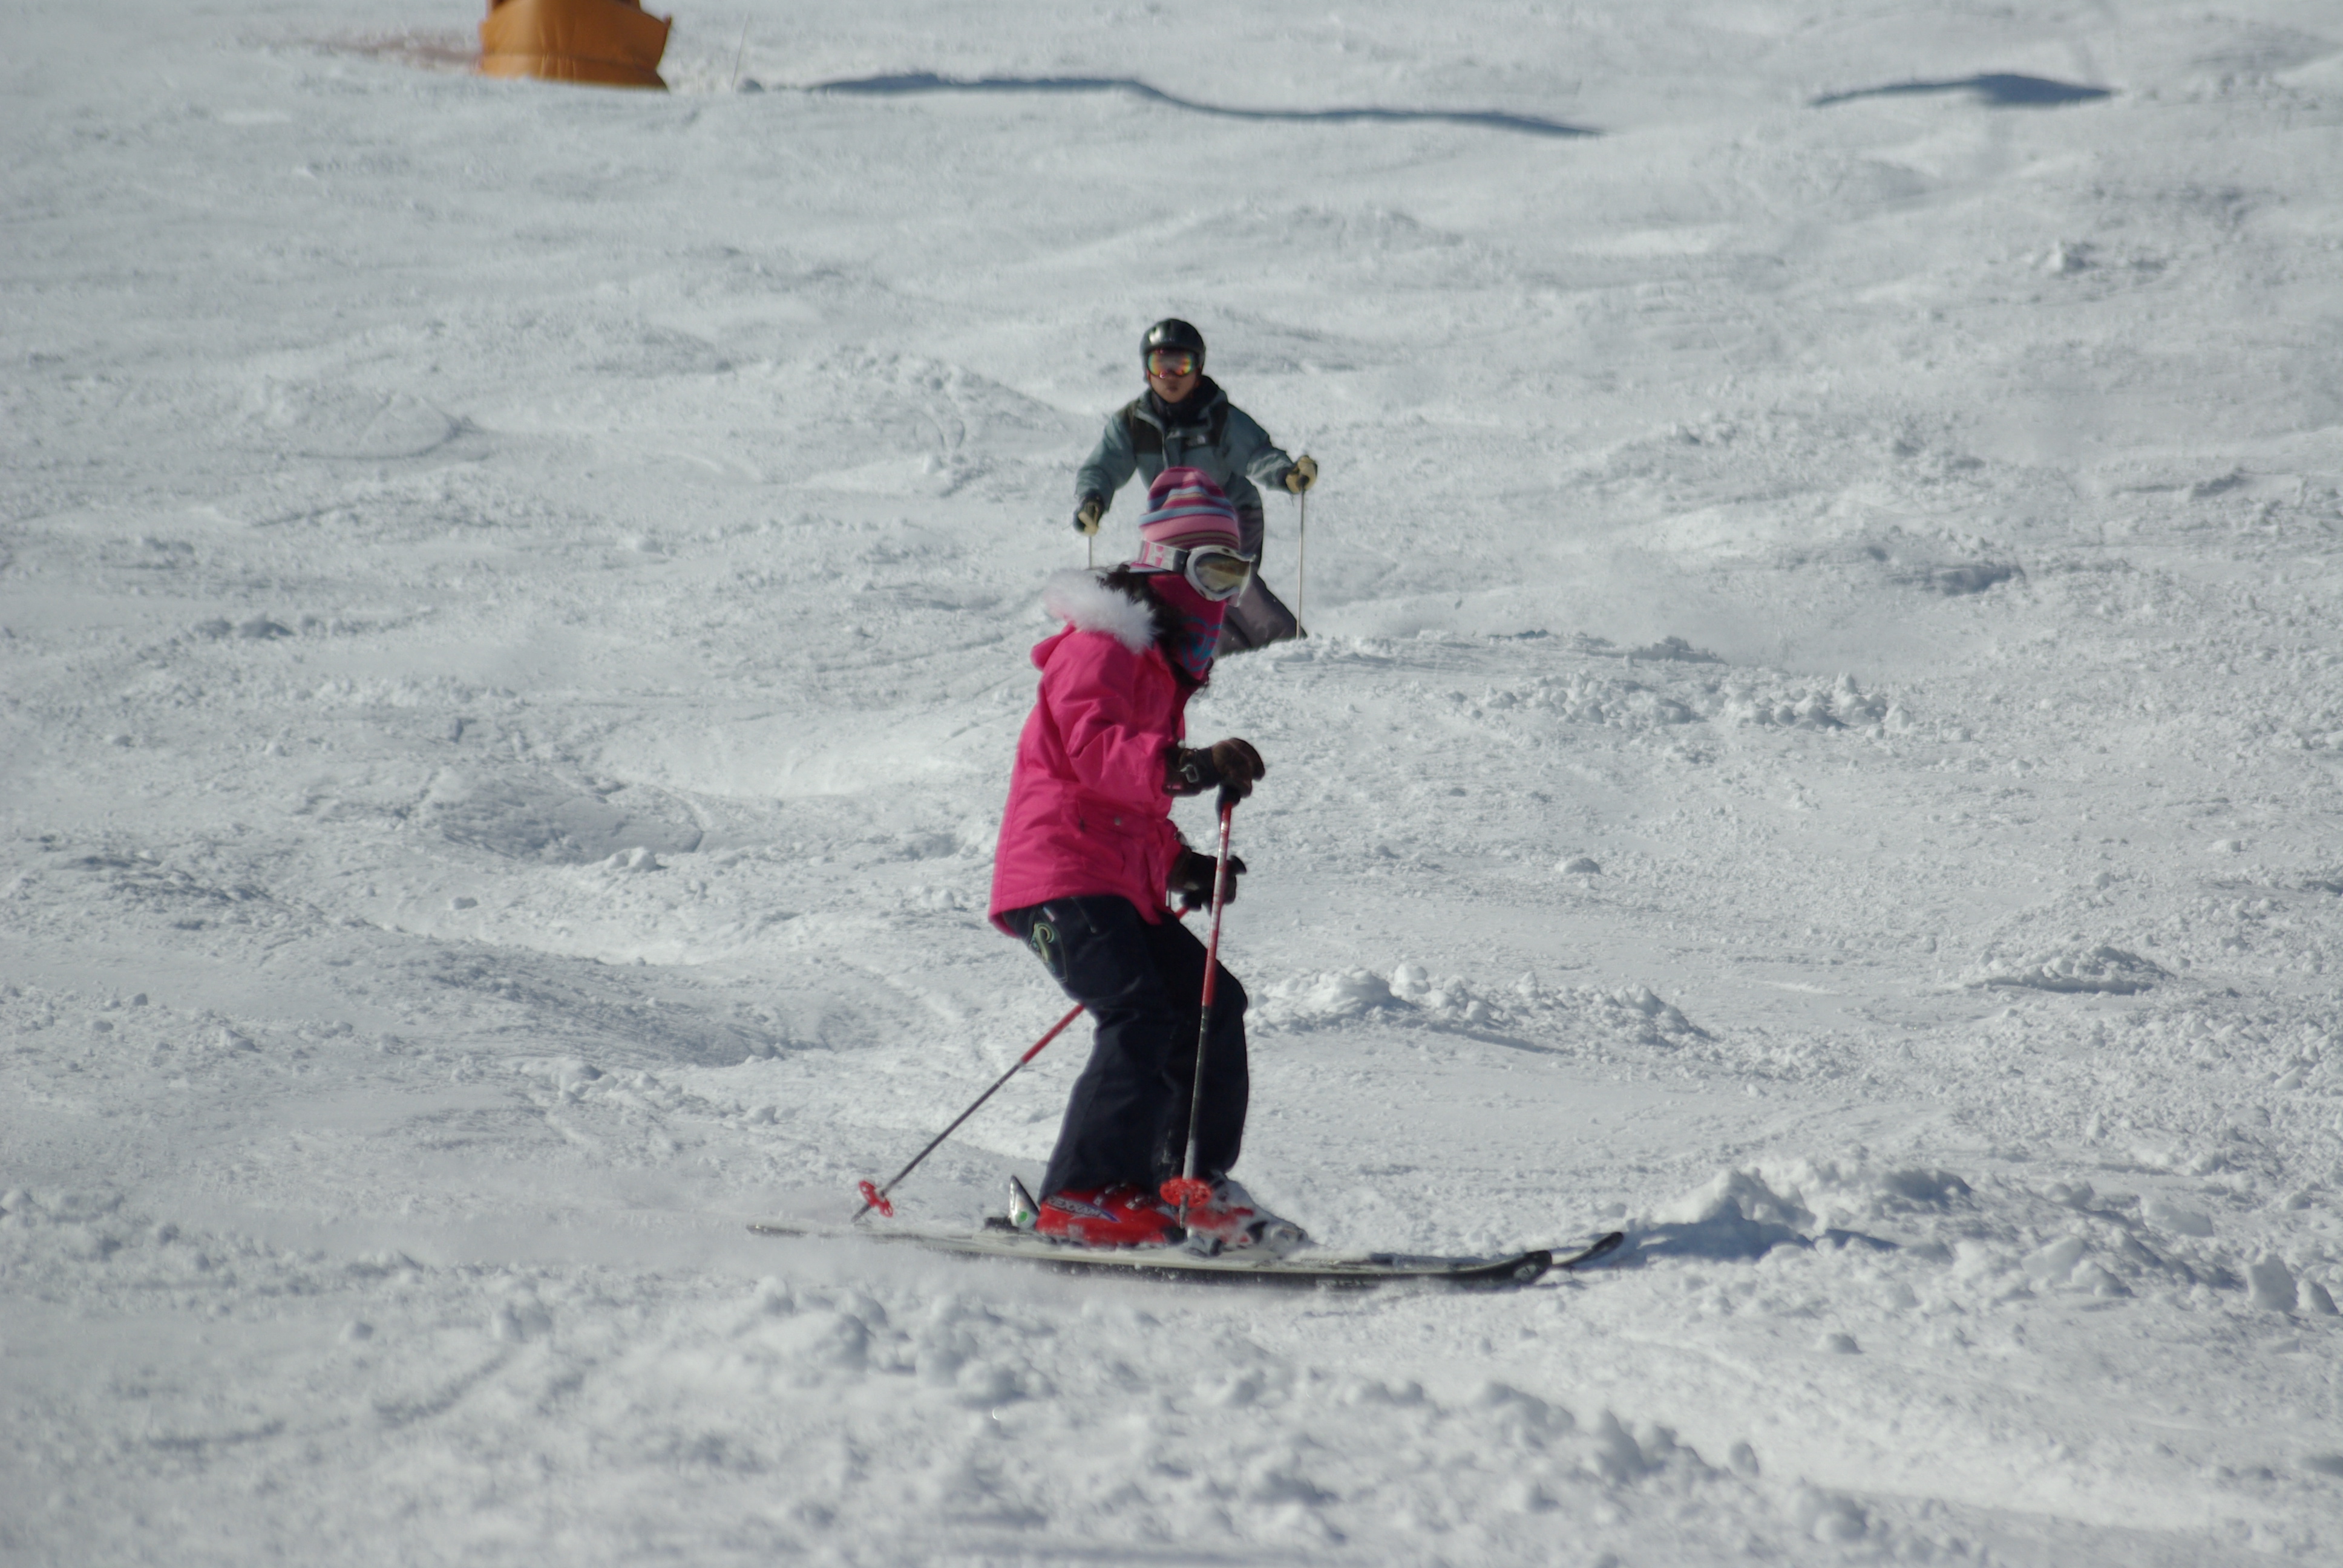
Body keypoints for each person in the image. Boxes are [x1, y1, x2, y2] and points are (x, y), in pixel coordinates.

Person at [992, 467, 1303, 1252]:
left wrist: (1180, 865)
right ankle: (1083, 1195)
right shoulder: (1101, 647)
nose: (1223, 596)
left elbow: (1131, 808)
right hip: (1058, 877)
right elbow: (1095, 753)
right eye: (1213, 572)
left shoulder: (1157, 675)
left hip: (1111, 880)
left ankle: (1185, 1183)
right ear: (1166, 566)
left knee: (1212, 1003)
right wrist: (1187, 766)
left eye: (1237, 577)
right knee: (1139, 1013)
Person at [1071, 319, 1319, 653]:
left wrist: (1286, 474)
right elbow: (1104, 465)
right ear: (1146, 370)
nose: (1171, 376)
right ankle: (1225, 652)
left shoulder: (1219, 417)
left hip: (1231, 515)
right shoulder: (1132, 423)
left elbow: (1257, 453)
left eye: (1182, 365)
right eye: (1160, 364)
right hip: (1173, 524)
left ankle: (1288, 645)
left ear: (1198, 368)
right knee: (1186, 591)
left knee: (1226, 577)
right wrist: (1093, 499)